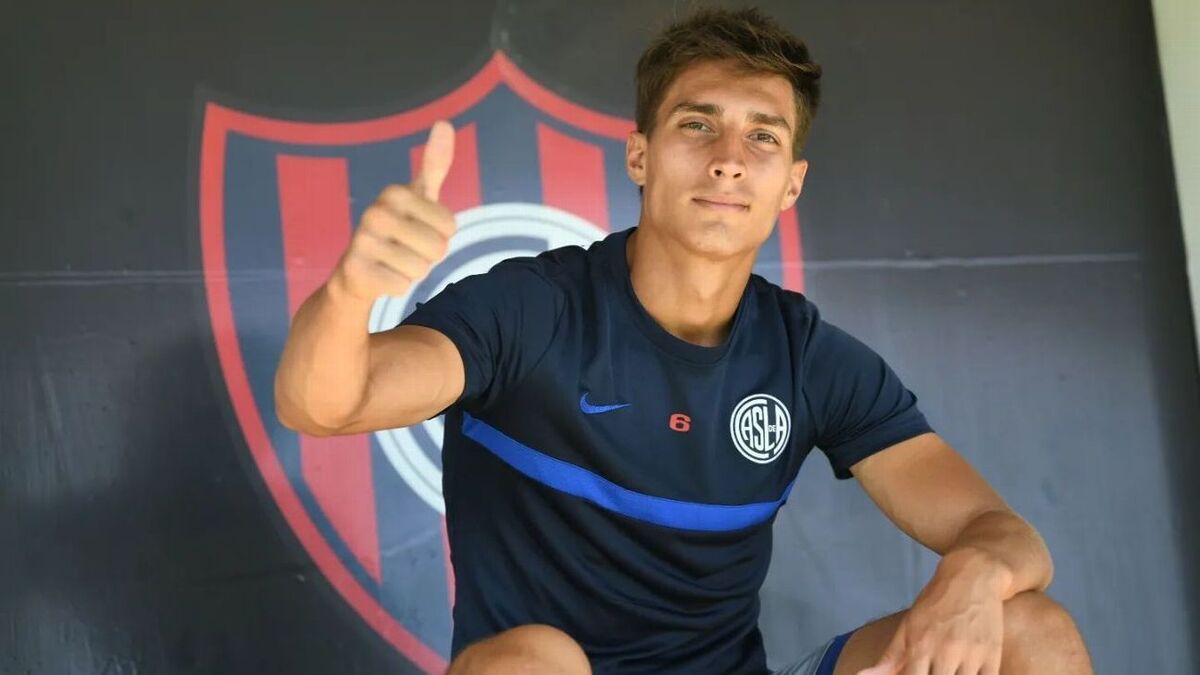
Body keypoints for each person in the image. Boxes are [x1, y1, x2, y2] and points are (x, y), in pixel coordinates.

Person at [274, 7, 1094, 675]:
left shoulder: (806, 356)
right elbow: (327, 402)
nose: (730, 160)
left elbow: (1004, 532)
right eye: (698, 125)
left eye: (763, 137)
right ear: (640, 153)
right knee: (534, 663)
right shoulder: (534, 308)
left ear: (791, 183)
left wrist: (974, 576)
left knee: (1031, 628)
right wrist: (350, 291)